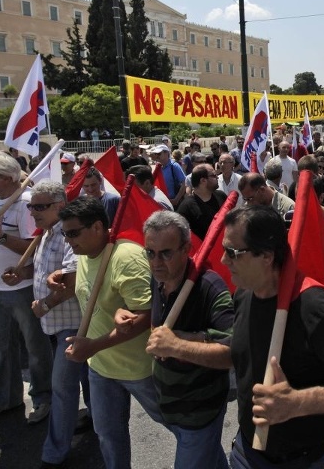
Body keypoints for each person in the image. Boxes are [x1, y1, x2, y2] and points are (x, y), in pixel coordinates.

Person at [223, 205, 324, 468]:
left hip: (306, 459)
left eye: (233, 253)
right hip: (247, 452)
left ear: (266, 256)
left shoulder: (314, 307)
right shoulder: (244, 293)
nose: (223, 260)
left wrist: (297, 402)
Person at [115, 211, 234, 469]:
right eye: (150, 253)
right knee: (211, 459)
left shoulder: (210, 287)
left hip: (200, 411)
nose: (156, 262)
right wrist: (124, 314)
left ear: (186, 249)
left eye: (166, 253)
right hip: (169, 404)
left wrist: (178, 343)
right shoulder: (157, 279)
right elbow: (153, 318)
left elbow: (232, 352)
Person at [55, 197, 154, 469]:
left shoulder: (126, 258)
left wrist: (94, 346)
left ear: (97, 227)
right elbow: (93, 291)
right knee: (108, 435)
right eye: (65, 233)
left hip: (139, 369)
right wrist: (62, 278)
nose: (68, 240)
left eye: (73, 233)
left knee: (183, 428)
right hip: (100, 368)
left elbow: (146, 316)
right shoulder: (85, 253)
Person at [0, 151, 53, 425]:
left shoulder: (26, 204)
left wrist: (1, 237)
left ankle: (43, 399)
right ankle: (6, 398)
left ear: (6, 179)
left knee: (35, 349)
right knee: (3, 347)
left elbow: (36, 246)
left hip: (24, 288)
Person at [26, 180, 88, 468]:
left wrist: (46, 304)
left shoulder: (68, 234)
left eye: (40, 206)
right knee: (88, 382)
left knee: (62, 390)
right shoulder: (47, 232)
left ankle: (54, 453)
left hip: (71, 327)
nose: (33, 212)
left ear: (59, 206)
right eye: (31, 206)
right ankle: (99, 423)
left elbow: (72, 281)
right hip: (53, 325)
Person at [177, 164, 227, 239]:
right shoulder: (186, 207)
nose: (217, 177)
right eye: (213, 175)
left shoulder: (221, 196)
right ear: (203, 180)